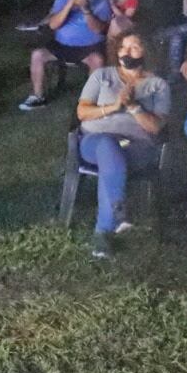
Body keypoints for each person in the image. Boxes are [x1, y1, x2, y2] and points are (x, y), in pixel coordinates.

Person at [74, 34, 169, 258]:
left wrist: (134, 106)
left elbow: (155, 127)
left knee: (114, 153)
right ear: (117, 52)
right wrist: (114, 106)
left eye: (135, 47)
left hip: (135, 146)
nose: (127, 52)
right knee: (108, 145)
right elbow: (82, 112)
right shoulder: (101, 76)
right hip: (95, 142)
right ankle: (117, 213)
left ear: (145, 52)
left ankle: (105, 230)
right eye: (123, 47)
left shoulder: (158, 85)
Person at [19, 0, 112, 111]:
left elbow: (99, 29)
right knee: (37, 54)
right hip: (62, 45)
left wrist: (86, 10)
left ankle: (90, 101)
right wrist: (70, 4)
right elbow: (54, 24)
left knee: (97, 60)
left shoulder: (100, 0)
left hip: (89, 47)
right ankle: (38, 97)